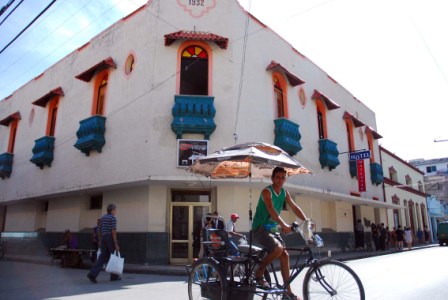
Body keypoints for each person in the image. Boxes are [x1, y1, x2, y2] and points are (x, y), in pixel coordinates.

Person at [252, 167, 307, 300]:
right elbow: (271, 210)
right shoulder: (267, 191)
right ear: (272, 178)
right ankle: (259, 272)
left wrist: (306, 221)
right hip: (259, 228)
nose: (280, 180)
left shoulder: (284, 192)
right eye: (277, 177)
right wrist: (283, 224)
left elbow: (294, 207)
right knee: (278, 248)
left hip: (272, 229)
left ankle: (288, 292)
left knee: (285, 255)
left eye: (283, 177)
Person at [87, 204, 121, 283]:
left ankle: (92, 274)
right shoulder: (113, 218)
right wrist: (116, 243)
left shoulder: (102, 218)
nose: (115, 211)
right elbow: (113, 231)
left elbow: (98, 230)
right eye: (115, 209)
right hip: (110, 238)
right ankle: (114, 275)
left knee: (102, 256)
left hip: (103, 238)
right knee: (113, 256)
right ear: (112, 210)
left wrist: (100, 240)